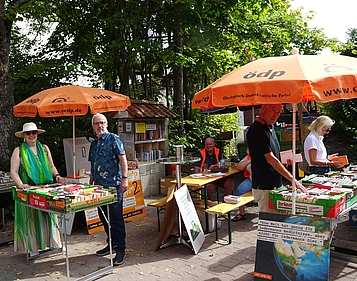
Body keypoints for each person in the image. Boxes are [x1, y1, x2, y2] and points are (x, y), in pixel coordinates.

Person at [10, 122, 65, 255]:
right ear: (24, 135)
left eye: (34, 132)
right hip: (29, 190)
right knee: (31, 218)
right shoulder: (18, 150)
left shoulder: (45, 148)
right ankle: (32, 248)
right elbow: (13, 171)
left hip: (46, 188)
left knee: (49, 216)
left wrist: (57, 176)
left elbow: (51, 166)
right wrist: (20, 185)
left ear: (37, 134)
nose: (31, 135)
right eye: (28, 133)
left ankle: (53, 243)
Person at [247, 104, 307, 212]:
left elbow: (274, 154)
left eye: (278, 112)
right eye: (273, 110)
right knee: (269, 222)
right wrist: (293, 180)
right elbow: (270, 158)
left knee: (278, 220)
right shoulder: (255, 129)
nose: (276, 115)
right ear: (263, 109)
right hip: (264, 186)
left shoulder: (271, 127)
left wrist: (284, 160)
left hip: (276, 183)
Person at [89, 113, 128, 266]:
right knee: (104, 217)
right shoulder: (94, 144)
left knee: (116, 218)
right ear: (93, 126)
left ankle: (120, 249)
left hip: (113, 186)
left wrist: (124, 179)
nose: (100, 126)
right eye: (97, 123)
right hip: (98, 188)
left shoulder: (113, 139)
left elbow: (123, 159)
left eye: (103, 122)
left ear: (107, 124)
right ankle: (111, 243)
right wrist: (90, 184)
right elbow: (92, 166)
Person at [232, 151, 252, 221]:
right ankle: (242, 213)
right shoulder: (249, 156)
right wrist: (250, 160)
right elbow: (239, 166)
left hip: (264, 181)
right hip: (252, 180)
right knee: (240, 190)